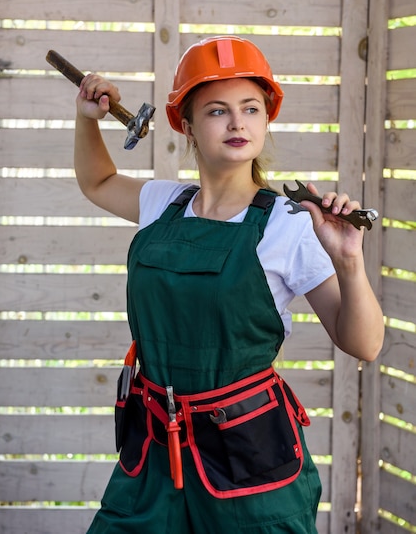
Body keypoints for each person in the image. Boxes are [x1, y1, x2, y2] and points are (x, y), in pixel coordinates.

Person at [75, 35, 384, 533]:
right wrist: (88, 118)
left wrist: (349, 261)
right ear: (188, 126)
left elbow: (364, 344)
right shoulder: (162, 203)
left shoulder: (290, 222)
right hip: (154, 449)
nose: (238, 122)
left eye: (251, 108)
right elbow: (97, 182)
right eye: (218, 110)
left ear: (266, 120)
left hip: (249, 461)